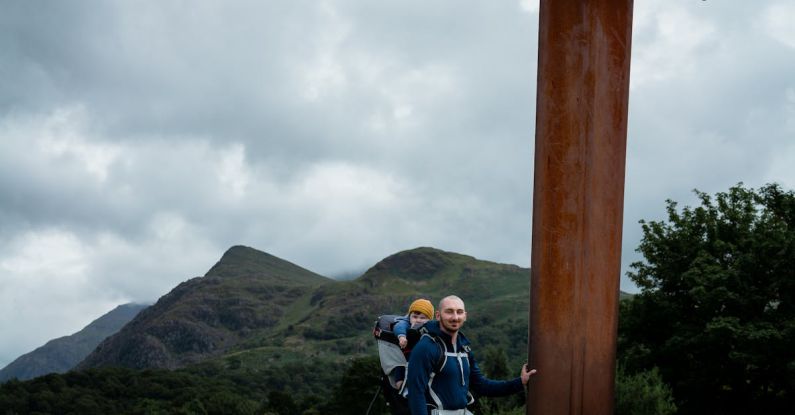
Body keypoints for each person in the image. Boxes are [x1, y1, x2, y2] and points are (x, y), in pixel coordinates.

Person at [405, 295, 537, 415]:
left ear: (465, 316)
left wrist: (520, 382)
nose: (455, 317)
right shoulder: (426, 347)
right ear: (438, 316)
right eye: (449, 311)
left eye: (459, 312)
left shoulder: (464, 348)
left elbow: (481, 385)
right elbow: (416, 393)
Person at [392, 298, 434, 389]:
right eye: (414, 317)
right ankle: (400, 385)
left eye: (423, 318)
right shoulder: (406, 323)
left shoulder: (430, 327)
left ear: (430, 320)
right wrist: (402, 336)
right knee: (400, 372)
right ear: (409, 317)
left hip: (423, 359)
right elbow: (399, 326)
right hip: (406, 357)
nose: (418, 320)